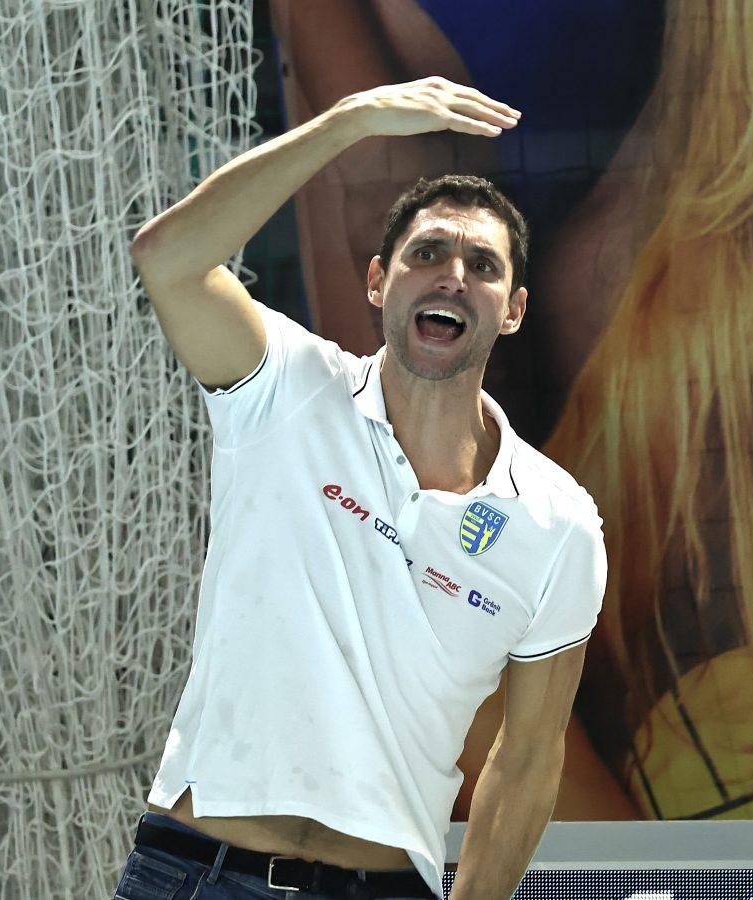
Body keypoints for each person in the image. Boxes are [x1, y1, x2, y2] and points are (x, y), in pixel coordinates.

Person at [120, 78, 607, 900]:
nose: (452, 276)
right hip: (198, 871)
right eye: (427, 254)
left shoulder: (560, 523)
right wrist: (348, 122)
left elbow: (527, 759)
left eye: (482, 266)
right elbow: (167, 259)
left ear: (514, 310)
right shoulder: (284, 383)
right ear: (379, 281)